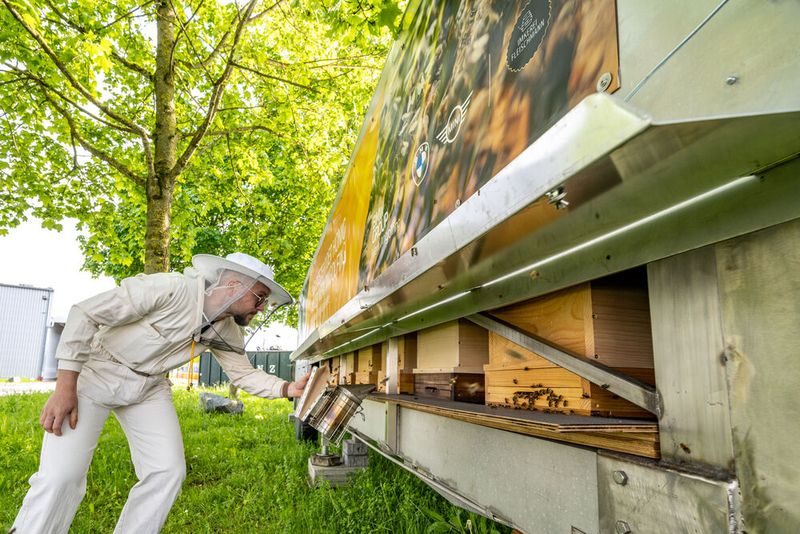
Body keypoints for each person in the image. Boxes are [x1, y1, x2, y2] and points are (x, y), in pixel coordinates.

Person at [12, 252, 310, 534]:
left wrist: (287, 388)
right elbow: (85, 313)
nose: (262, 308)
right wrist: (65, 387)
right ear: (234, 284)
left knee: (168, 471)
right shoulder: (170, 288)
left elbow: (243, 373)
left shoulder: (228, 330)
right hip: (97, 372)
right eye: (260, 297)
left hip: (150, 387)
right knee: (62, 476)